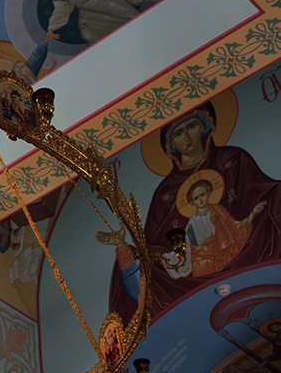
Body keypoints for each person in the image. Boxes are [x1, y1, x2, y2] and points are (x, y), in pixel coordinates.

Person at [97, 102, 281, 320]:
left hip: (245, 248)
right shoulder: (165, 193)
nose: (186, 138)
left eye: (192, 126)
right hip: (190, 270)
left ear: (205, 126)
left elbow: (262, 192)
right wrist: (123, 247)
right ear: (170, 144)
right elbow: (154, 246)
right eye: (178, 133)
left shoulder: (234, 160)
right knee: (141, 263)